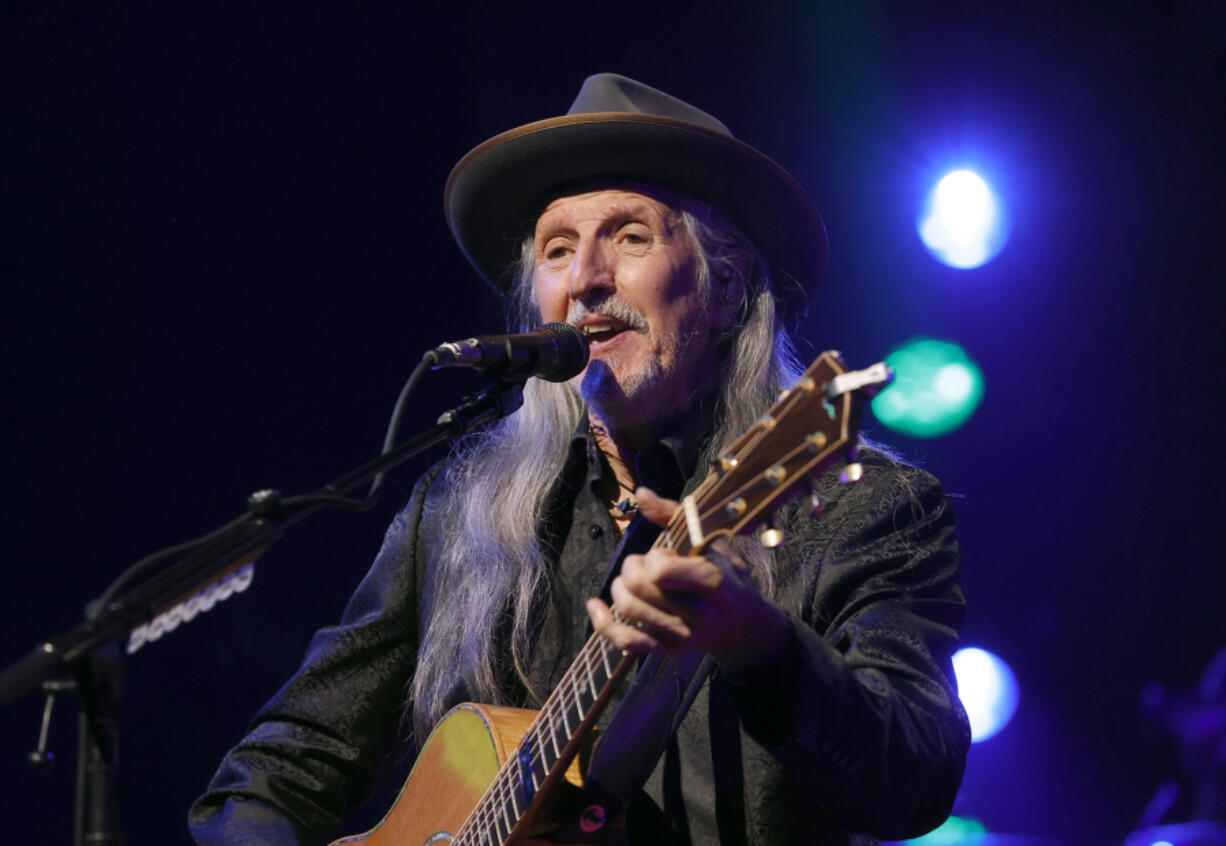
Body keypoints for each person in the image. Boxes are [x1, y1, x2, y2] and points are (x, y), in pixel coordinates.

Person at [189, 73, 970, 845]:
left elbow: (914, 784)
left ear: (726, 287)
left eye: (629, 236)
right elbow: (280, 766)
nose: (587, 280)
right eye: (557, 250)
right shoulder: (457, 511)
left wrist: (759, 646)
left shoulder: (865, 507)